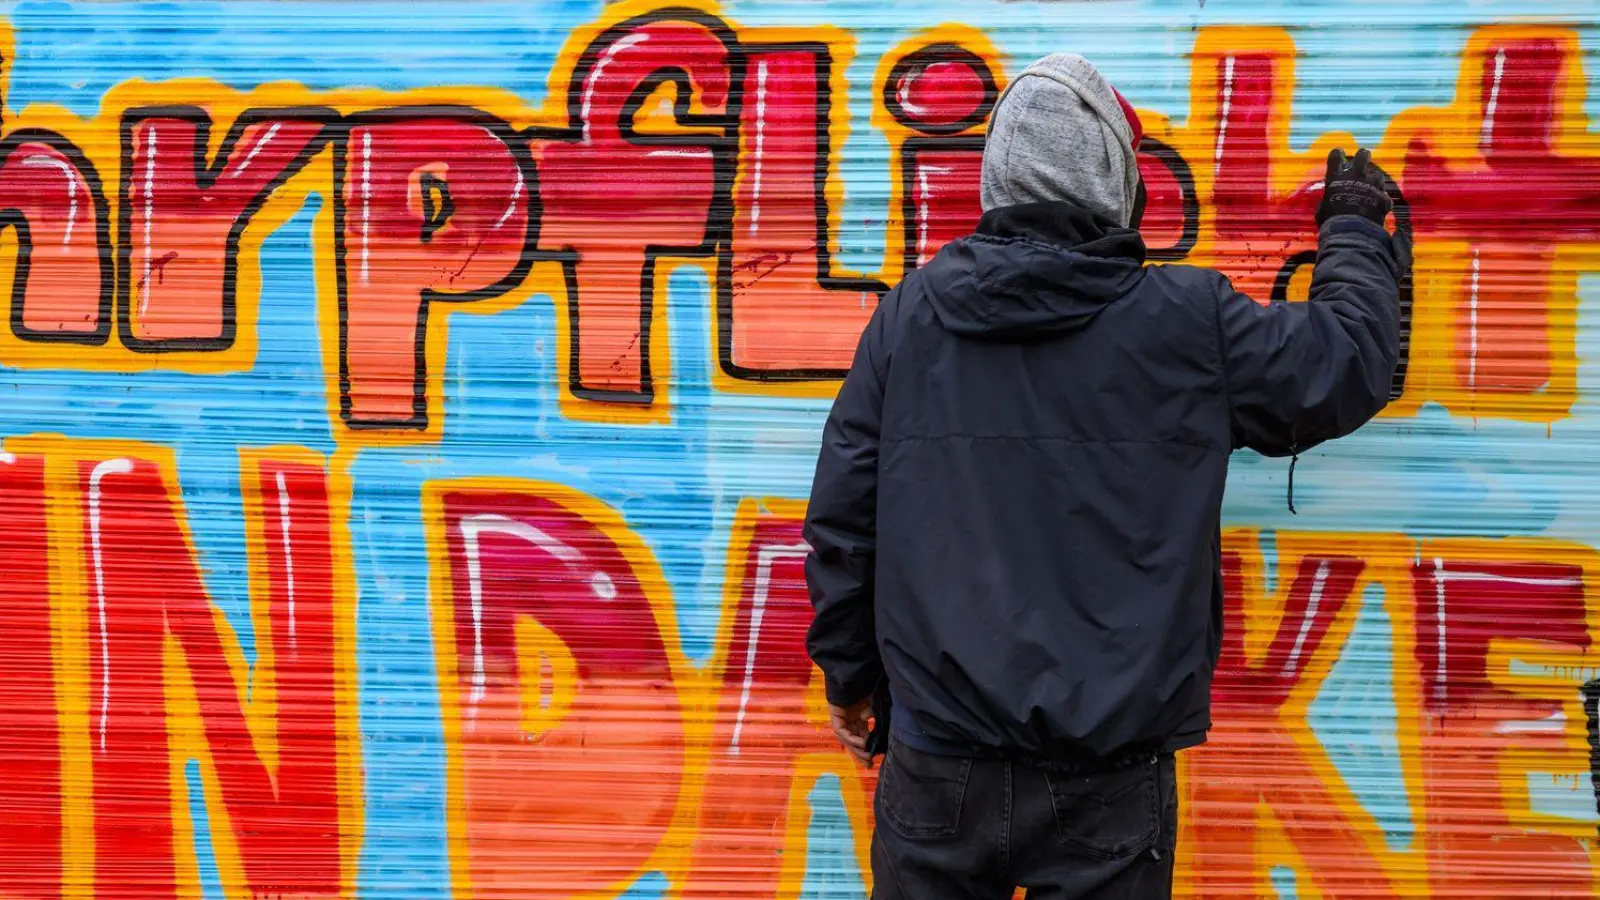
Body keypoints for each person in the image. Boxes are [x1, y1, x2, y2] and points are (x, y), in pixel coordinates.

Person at [802, 52, 1408, 899]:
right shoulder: (1189, 323)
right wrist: (1353, 235)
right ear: (1119, 180)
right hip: (1108, 778)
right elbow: (1344, 365)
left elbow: (843, 520)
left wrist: (851, 678)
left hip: (940, 764)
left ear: (997, 178)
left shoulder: (913, 313)